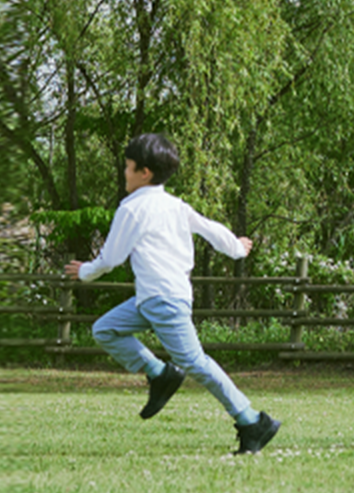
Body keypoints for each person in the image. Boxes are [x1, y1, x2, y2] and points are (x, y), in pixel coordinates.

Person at [70, 133, 282, 455]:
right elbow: (211, 229)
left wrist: (85, 271)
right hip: (158, 297)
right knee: (105, 329)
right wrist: (236, 248)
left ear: (145, 173)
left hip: (162, 300)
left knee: (196, 362)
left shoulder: (132, 210)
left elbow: (111, 259)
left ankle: (252, 420)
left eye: (127, 167)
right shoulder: (176, 206)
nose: (123, 173)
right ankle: (160, 373)